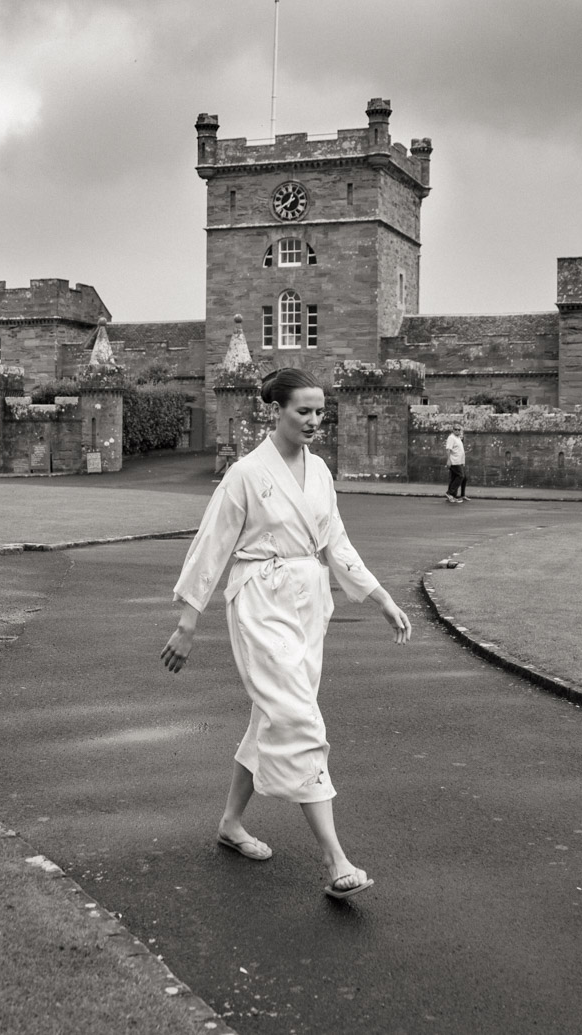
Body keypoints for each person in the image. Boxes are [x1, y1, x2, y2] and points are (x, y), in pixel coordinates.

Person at [162, 367, 412, 900]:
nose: (315, 420)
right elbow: (212, 545)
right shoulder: (247, 474)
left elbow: (337, 543)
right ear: (275, 410)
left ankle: (231, 822)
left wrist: (382, 598)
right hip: (258, 600)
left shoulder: (320, 471)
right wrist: (188, 622)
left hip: (308, 603)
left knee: (270, 716)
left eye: (321, 411)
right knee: (298, 717)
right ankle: (335, 858)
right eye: (303, 411)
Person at [445, 425, 467, 503]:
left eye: (459, 430)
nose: (457, 431)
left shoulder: (457, 438)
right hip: (454, 461)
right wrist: (448, 460)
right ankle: (450, 493)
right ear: (453, 430)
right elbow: (448, 449)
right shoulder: (451, 438)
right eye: (455, 429)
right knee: (461, 476)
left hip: (459, 461)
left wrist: (463, 462)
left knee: (455, 477)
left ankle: (453, 495)